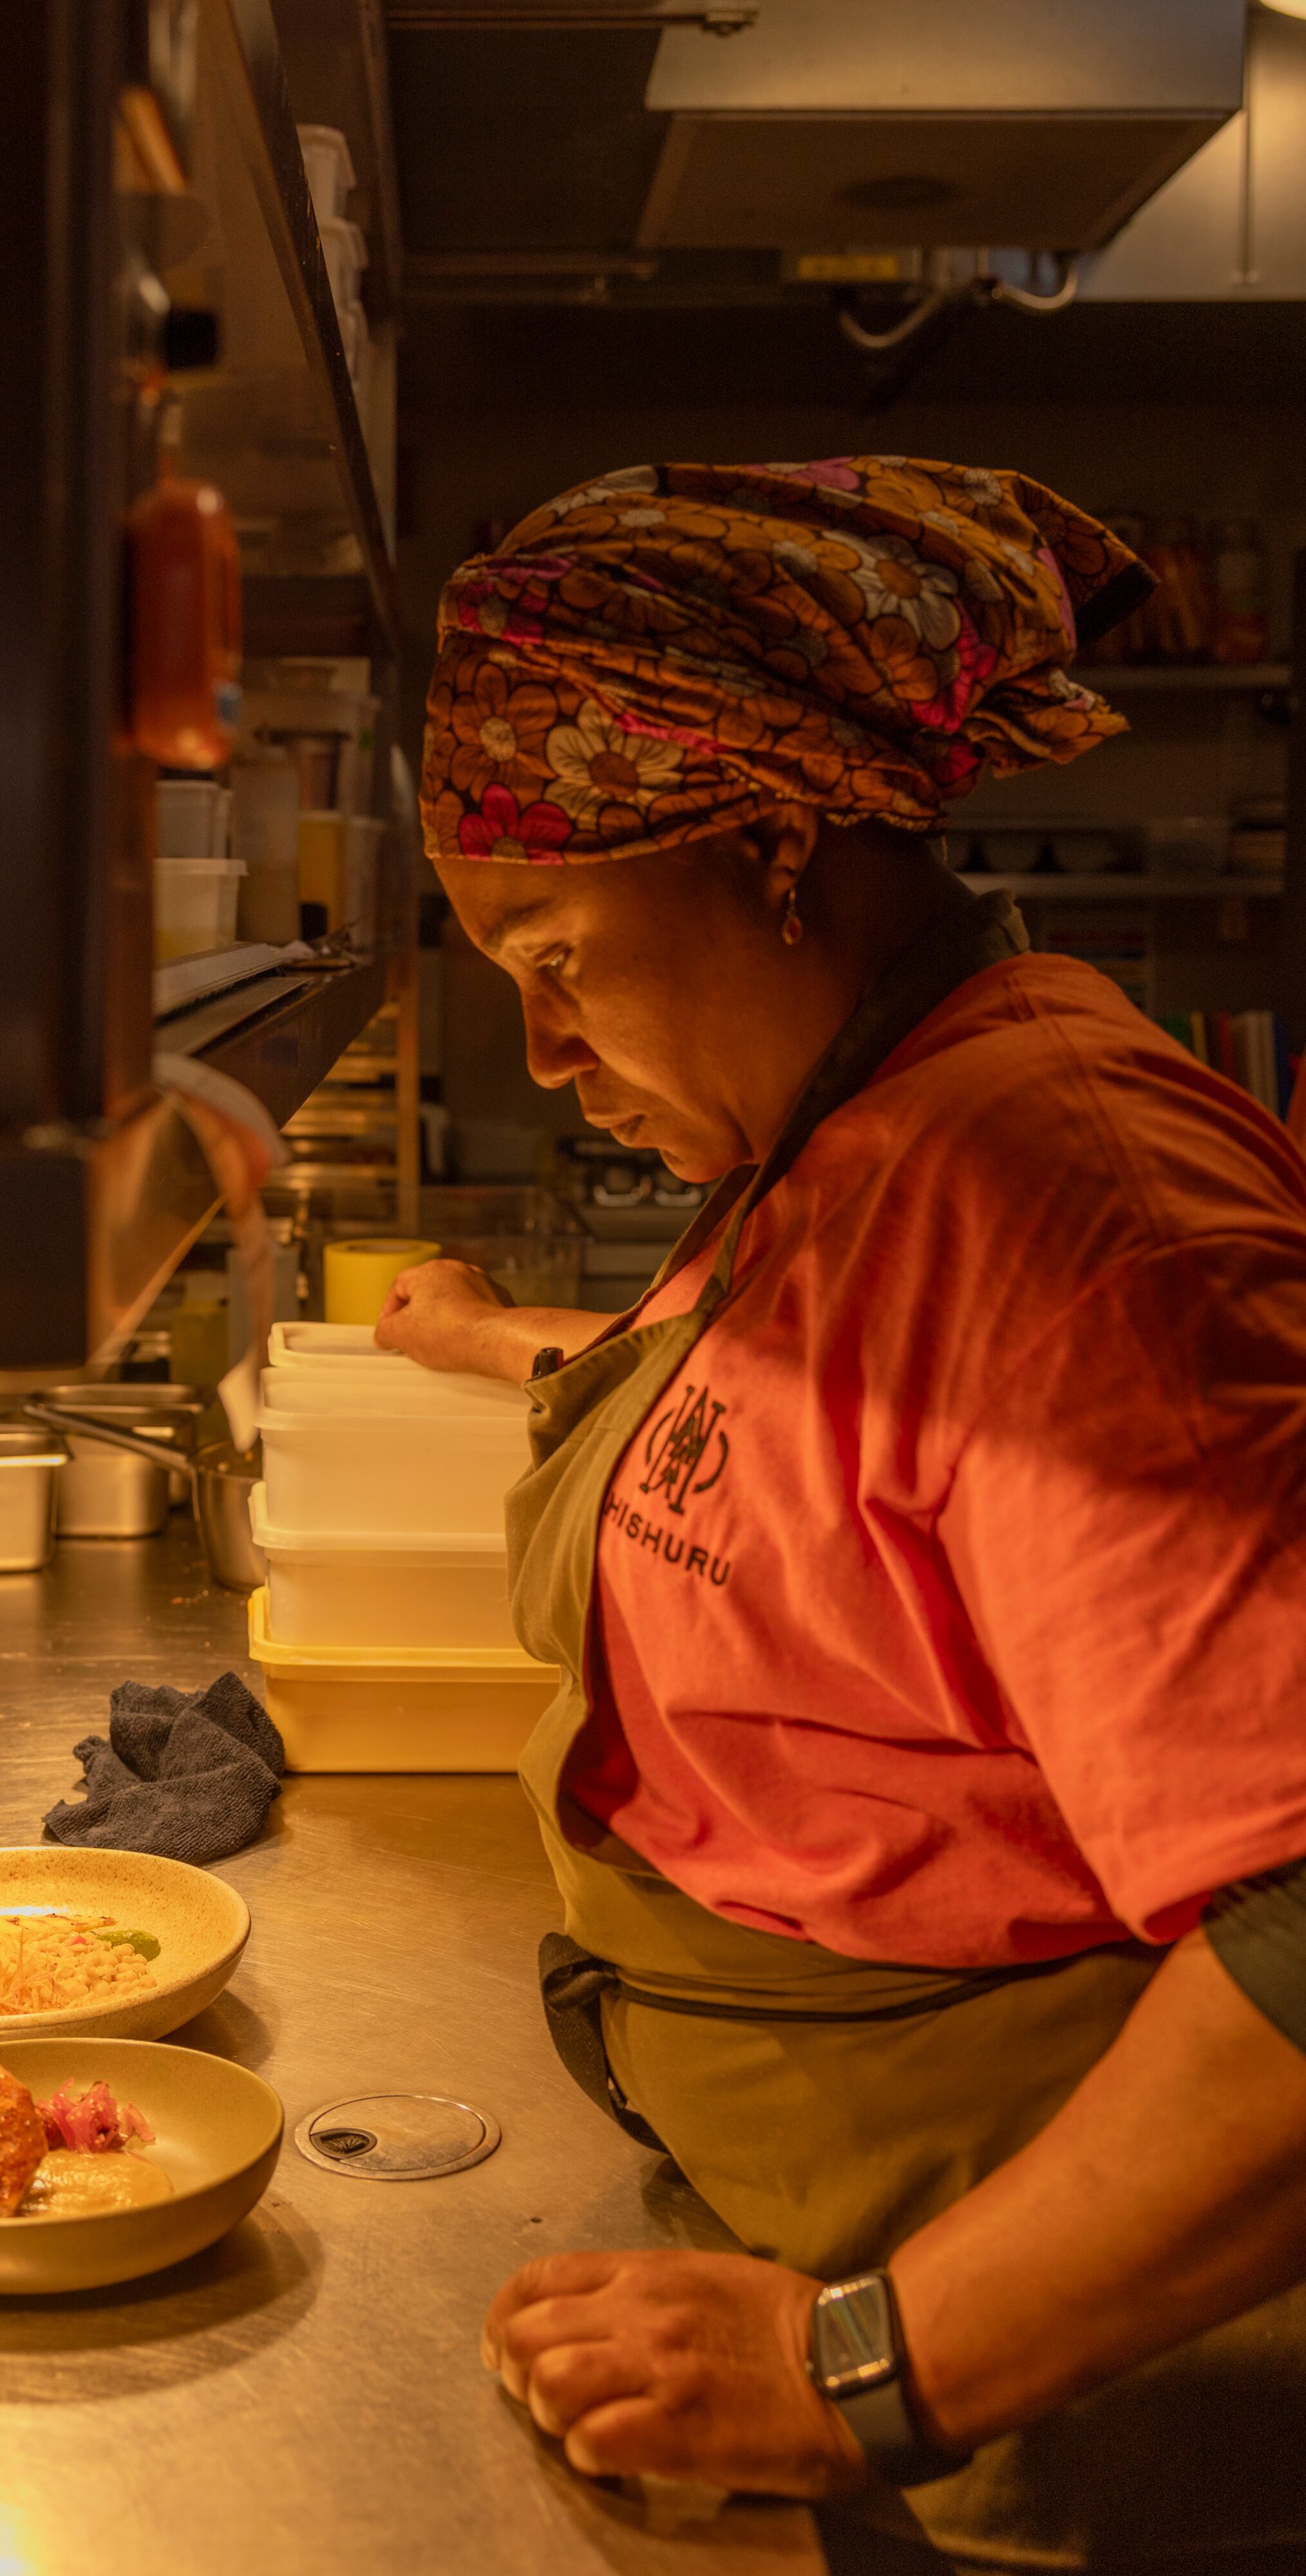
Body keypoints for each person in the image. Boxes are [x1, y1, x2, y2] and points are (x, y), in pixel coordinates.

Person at [377, 459, 1306, 2563]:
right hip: (817, 2211)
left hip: (1052, 2368)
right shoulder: (836, 1135)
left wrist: (864, 2366)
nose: (534, 1050)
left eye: (553, 954)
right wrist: (483, 1344)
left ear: (778, 850)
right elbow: (807, 1455)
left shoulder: (1074, 1209)